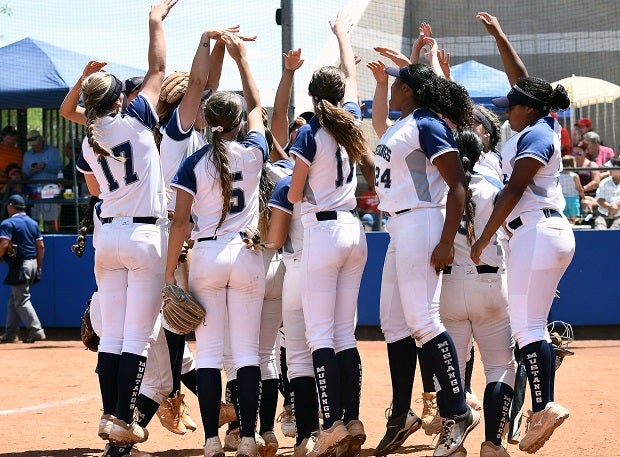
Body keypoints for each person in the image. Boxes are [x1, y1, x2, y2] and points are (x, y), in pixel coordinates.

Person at [472, 11, 575, 454]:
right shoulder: (542, 120)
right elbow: (525, 81)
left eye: (512, 106)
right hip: (545, 232)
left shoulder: (535, 135)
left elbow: (512, 191)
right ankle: (541, 405)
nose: (507, 111)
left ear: (530, 108)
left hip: (532, 230)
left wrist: (481, 239)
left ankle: (544, 405)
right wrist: (499, 36)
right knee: (531, 325)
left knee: (527, 327)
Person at [76, 0, 177, 448]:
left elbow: (96, 191)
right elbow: (158, 68)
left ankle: (108, 418)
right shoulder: (136, 119)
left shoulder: (88, 139)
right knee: (135, 336)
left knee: (113, 335)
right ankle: (120, 419)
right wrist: (154, 19)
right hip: (143, 235)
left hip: (109, 235)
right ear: (119, 99)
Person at [368, 54, 479, 456]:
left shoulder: (427, 124)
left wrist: (448, 240)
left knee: (422, 320)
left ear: (410, 89)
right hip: (399, 224)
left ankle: (457, 409)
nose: (393, 87)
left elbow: (458, 183)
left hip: (423, 221)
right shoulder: (404, 123)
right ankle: (402, 414)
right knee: (393, 323)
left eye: (398, 82)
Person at [166, 31, 267, 457]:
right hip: (246, 255)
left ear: (206, 121)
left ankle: (210, 441)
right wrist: (243, 59)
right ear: (239, 121)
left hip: (206, 254)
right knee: (246, 354)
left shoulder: (193, 162)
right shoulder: (254, 151)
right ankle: (246, 437)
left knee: (208, 355)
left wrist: (170, 271)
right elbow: (259, 107)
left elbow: (180, 223)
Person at [286, 12, 374, 457]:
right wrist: (341, 34)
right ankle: (351, 416)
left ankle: (332, 424)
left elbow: (296, 189)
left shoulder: (309, 134)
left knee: (320, 335)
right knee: (344, 335)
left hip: (320, 233)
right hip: (354, 231)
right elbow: (352, 76)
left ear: (311, 97)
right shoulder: (351, 120)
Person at [440, 130, 516, 457]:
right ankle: (492, 445)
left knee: (451, 370)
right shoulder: (494, 188)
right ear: (481, 153)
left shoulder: (440, 191)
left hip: (450, 287)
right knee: (499, 366)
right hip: (490, 285)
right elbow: (515, 234)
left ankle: (452, 444)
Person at [0, 194, 45, 344]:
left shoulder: (8, 223)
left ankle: (36, 331)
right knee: (15, 300)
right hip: (32, 264)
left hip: (20, 265)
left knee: (21, 300)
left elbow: (5, 244)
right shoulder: (32, 223)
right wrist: (39, 266)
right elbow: (41, 246)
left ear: (11, 206)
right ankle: (10, 334)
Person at [21, 130, 63, 232]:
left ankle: (54, 240)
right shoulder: (27, 155)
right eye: (33, 145)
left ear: (41, 140)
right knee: (32, 221)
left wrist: (45, 166)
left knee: (51, 221)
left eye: (36, 144)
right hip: (33, 193)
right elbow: (24, 175)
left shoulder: (52, 151)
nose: (35, 146)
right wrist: (32, 171)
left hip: (50, 191)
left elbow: (59, 168)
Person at [593, 158, 620, 229]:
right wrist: (609, 207)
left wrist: (616, 207)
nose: (609, 170)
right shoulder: (604, 182)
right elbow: (599, 199)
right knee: (599, 228)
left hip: (619, 215)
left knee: (615, 229)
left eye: (611, 168)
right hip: (602, 214)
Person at [559, 156, 584, 223]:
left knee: (565, 217)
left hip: (563, 199)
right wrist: (583, 197)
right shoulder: (574, 176)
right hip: (573, 198)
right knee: (574, 216)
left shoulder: (558, 176)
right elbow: (579, 188)